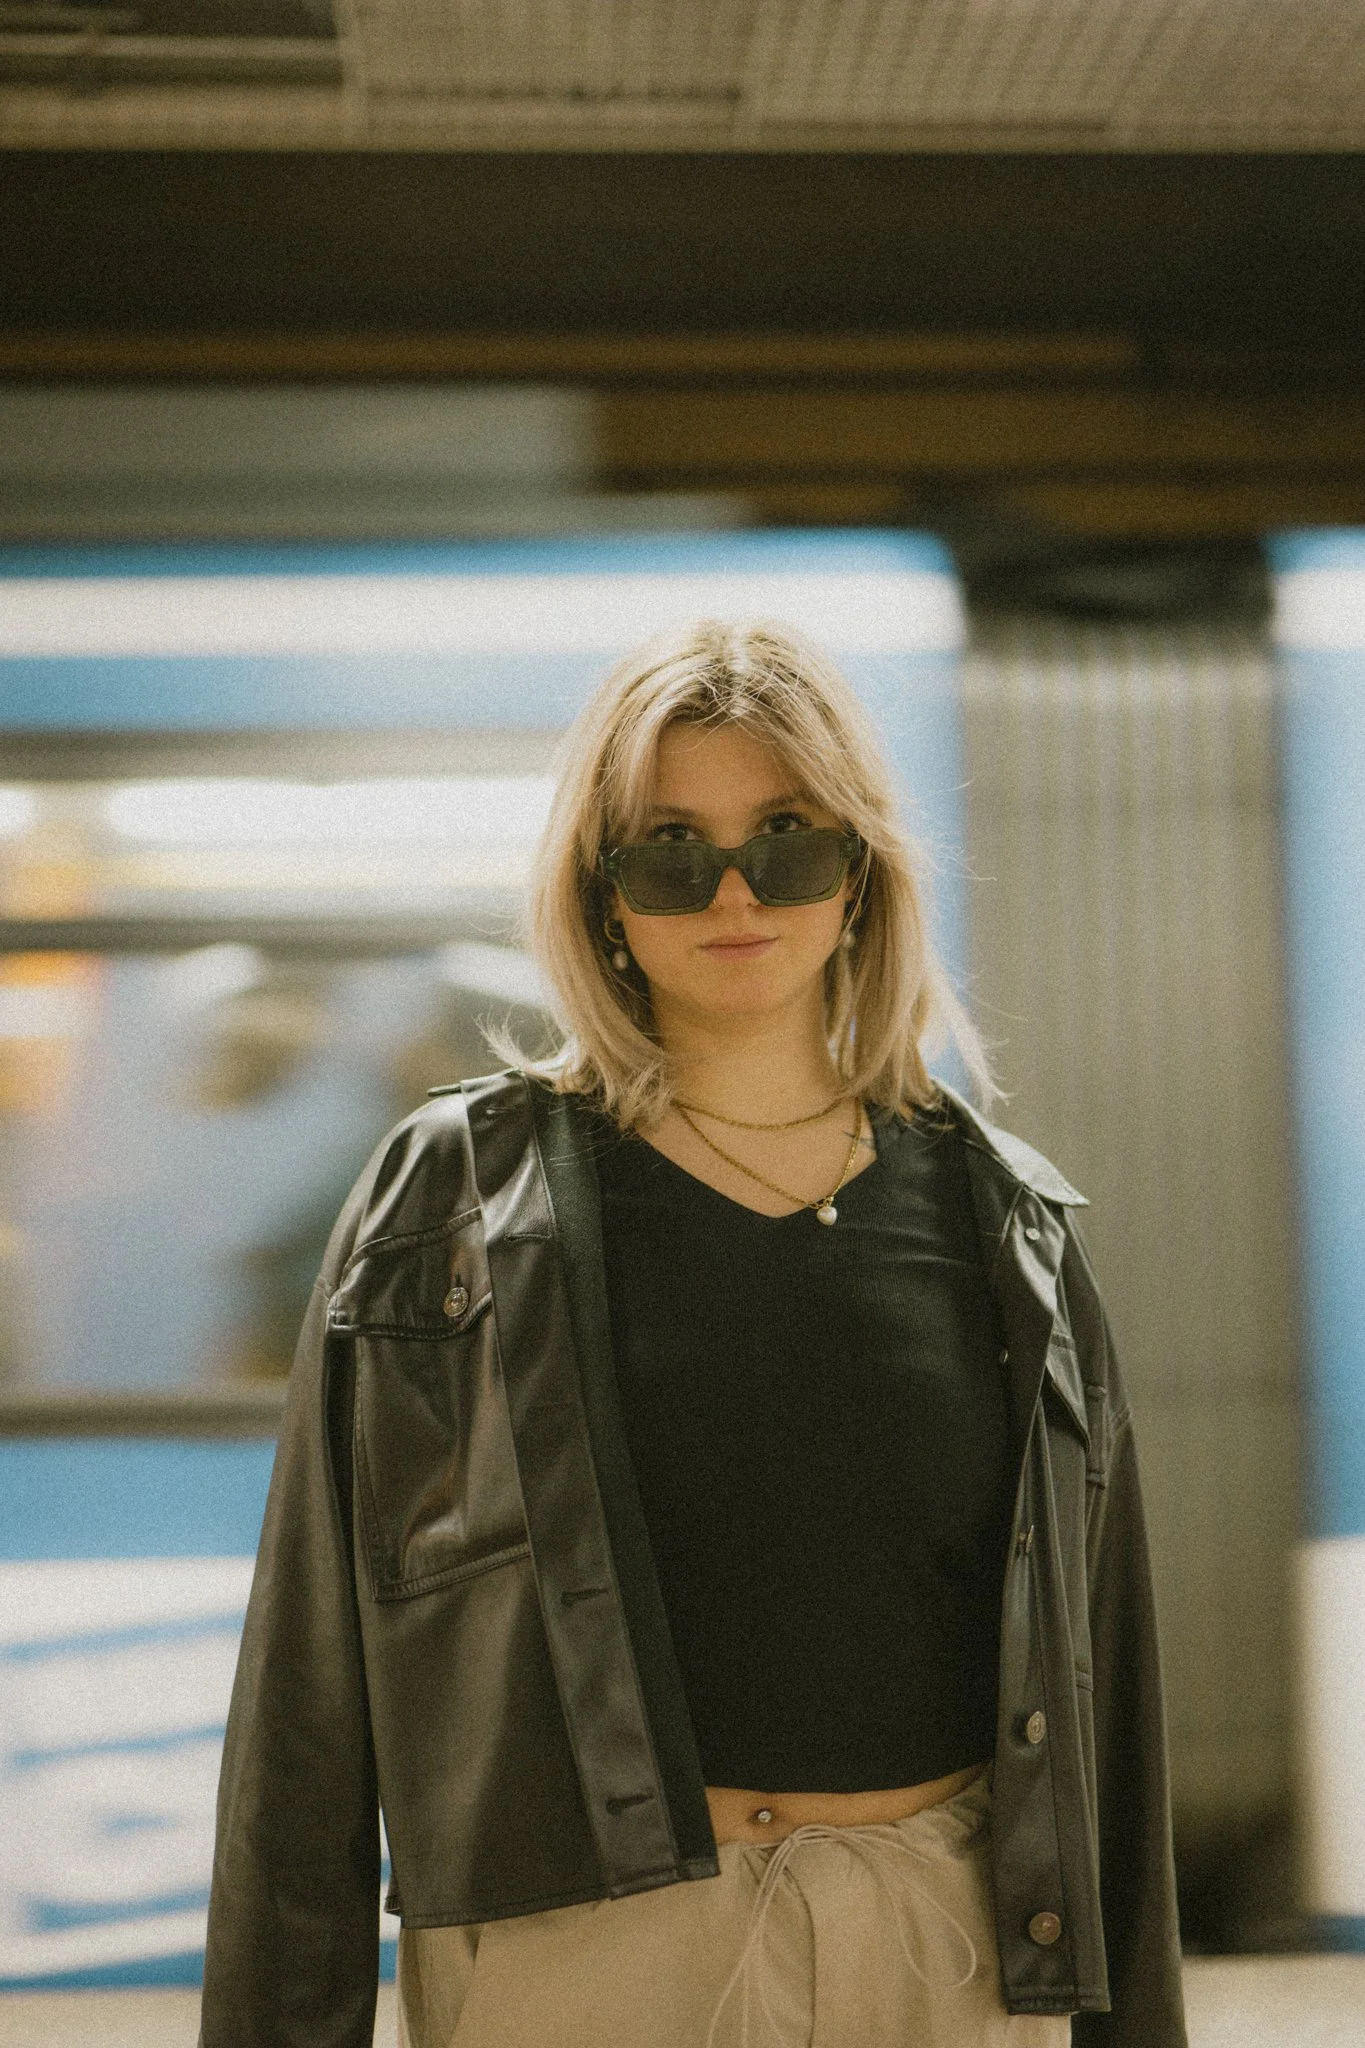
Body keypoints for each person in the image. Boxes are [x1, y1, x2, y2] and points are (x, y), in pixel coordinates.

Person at [200, 621, 1187, 2048]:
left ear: (860, 875)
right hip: (580, 1963)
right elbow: (308, 1691)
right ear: (601, 895)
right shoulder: (453, 1200)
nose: (734, 889)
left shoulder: (1006, 1224)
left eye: (787, 836)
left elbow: (1106, 1701)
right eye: (669, 846)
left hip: (942, 1956)